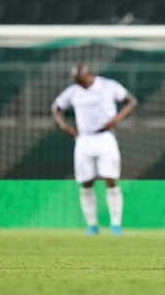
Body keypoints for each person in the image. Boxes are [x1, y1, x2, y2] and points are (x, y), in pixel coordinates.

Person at [52, 65, 138, 235]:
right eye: (76, 81)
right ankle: (92, 225)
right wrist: (63, 126)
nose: (79, 84)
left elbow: (131, 101)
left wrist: (116, 119)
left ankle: (115, 224)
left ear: (89, 75)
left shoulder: (108, 85)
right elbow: (56, 107)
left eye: (81, 80)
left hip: (105, 138)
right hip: (83, 139)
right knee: (86, 183)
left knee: (110, 179)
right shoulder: (73, 91)